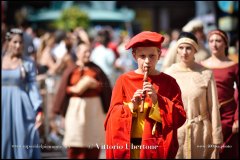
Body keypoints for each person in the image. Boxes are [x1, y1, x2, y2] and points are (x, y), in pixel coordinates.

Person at [104, 31, 186, 159]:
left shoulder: (169, 82)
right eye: (142, 56)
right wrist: (132, 106)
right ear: (134, 55)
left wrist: (157, 100)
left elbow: (180, 117)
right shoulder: (124, 80)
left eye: (152, 56)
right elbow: (111, 118)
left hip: (156, 146)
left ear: (159, 55)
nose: (147, 61)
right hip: (131, 146)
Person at [164, 32, 223, 159]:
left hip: (201, 134)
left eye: (188, 48)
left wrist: (217, 136)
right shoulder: (169, 74)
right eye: (181, 48)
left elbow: (213, 107)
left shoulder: (206, 73)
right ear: (177, 50)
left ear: (195, 50)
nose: (184, 52)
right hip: (177, 134)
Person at [53, 41, 112, 159]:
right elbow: (63, 90)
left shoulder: (96, 69)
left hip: (94, 109)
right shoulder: (71, 69)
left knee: (93, 141)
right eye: (85, 52)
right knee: (75, 140)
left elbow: (106, 87)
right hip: (75, 108)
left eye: (89, 51)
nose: (87, 54)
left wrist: (96, 85)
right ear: (78, 53)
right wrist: (74, 89)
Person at [1, 28, 43, 159]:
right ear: (8, 42)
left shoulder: (27, 63)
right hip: (3, 106)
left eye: (20, 42)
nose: (18, 45)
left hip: (20, 107)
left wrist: (39, 109)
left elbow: (32, 87)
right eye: (14, 42)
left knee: (23, 138)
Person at [201, 29, 239, 159]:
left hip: (227, 115)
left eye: (218, 40)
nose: (214, 44)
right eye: (211, 41)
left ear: (226, 44)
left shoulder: (234, 66)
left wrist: (237, 118)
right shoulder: (202, 66)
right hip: (207, 114)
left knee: (227, 152)